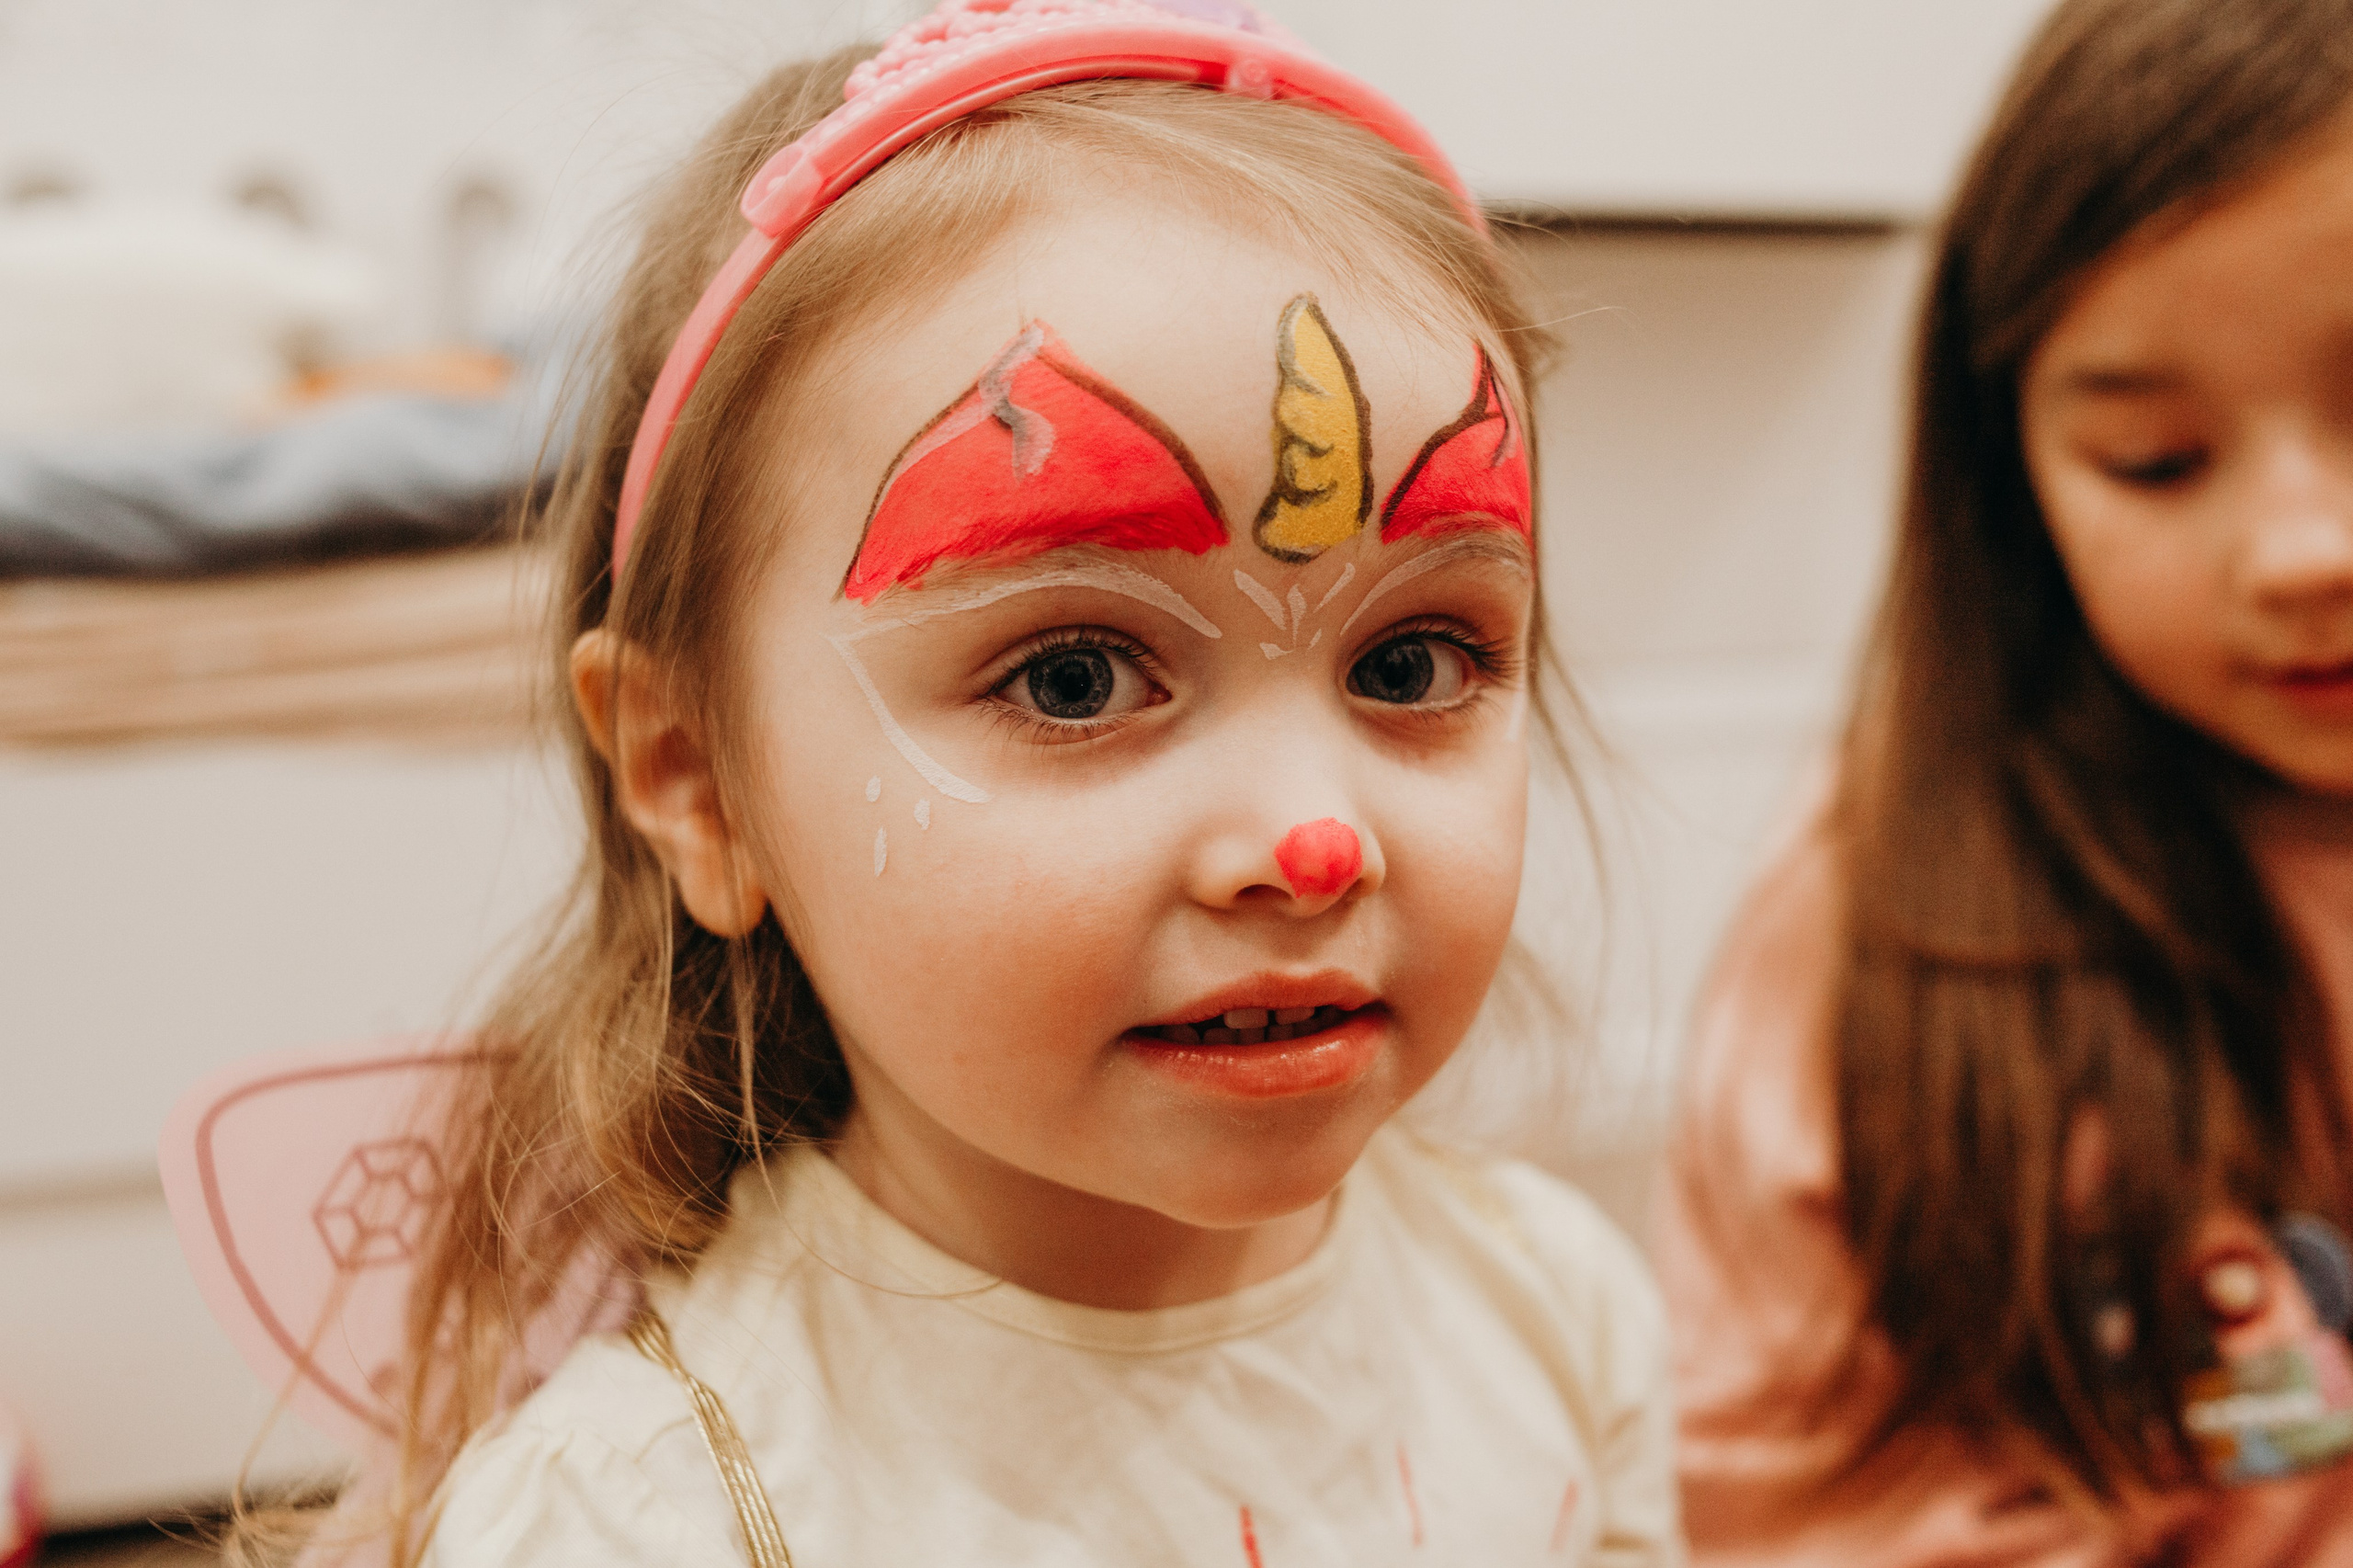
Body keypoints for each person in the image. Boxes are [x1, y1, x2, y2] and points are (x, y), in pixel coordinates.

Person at [269, 3, 1677, 1563]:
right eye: (1073, 677)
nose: (1312, 839)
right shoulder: (638, 1517)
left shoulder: (1561, 1314)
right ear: (698, 785)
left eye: (1413, 662)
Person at [1663, 0, 2353, 1561]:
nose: (2306, 551)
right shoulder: (1878, 931)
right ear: (2015, 482)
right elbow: (1799, 1502)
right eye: (2158, 462)